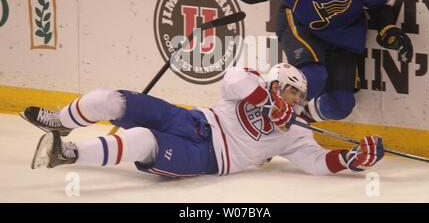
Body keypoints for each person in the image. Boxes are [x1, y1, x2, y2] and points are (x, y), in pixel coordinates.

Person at [206, 0, 413, 123]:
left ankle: (294, 118)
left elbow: (379, 5)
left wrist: (389, 29)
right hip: (300, 25)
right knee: (313, 76)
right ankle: (263, 126)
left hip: (343, 36)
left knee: (340, 106)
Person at [20, 63, 384, 176]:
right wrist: (266, 100)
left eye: (300, 97)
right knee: (108, 99)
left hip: (208, 158)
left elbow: (318, 163)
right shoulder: (253, 82)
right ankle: (61, 121)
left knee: (144, 140)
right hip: (190, 119)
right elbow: (233, 79)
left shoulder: (296, 133)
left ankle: (67, 153)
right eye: (292, 92)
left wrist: (349, 160)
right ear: (274, 83)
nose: (297, 101)